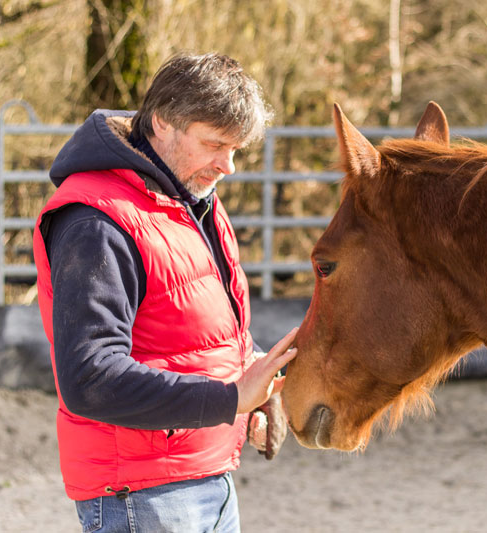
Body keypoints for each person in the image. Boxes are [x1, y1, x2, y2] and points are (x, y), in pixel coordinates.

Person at [33, 52, 298, 532]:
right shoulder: (98, 221)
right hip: (141, 493)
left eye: (236, 149)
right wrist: (230, 398)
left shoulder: (190, 203)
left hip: (206, 474)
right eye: (215, 144)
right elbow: (91, 377)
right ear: (161, 123)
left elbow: (197, 337)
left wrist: (254, 387)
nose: (229, 166)